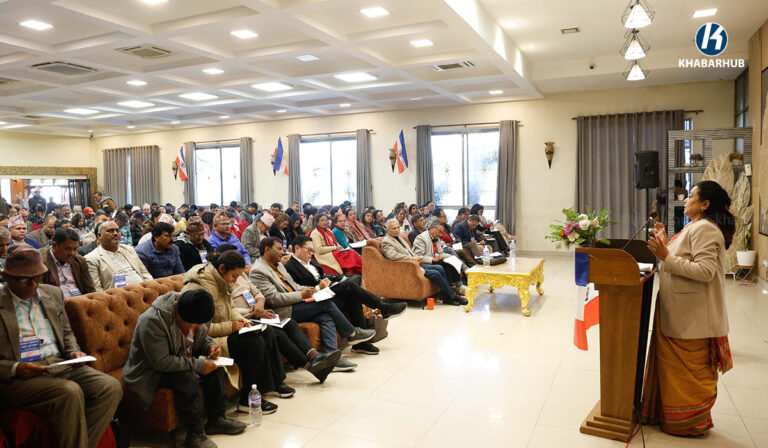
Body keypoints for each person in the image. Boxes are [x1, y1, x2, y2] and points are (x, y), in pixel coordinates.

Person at [0, 245, 122, 448]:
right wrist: (16, 368)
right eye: (24, 279)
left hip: (58, 364)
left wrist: (73, 351)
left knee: (110, 387)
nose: (33, 285)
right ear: (7, 277)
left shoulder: (52, 293)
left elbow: (66, 332)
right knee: (69, 392)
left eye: (37, 278)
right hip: (18, 376)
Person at [641, 181, 734, 436]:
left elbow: (704, 271)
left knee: (689, 375)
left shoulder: (705, 229)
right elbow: (679, 257)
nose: (685, 200)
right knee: (675, 373)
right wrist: (665, 244)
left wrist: (665, 256)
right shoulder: (695, 225)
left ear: (705, 204)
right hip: (682, 312)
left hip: (693, 318)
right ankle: (674, 418)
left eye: (691, 196)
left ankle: (691, 423)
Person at [123, 289, 246, 448]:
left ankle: (217, 419)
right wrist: (199, 365)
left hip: (180, 358)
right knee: (184, 377)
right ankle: (195, 433)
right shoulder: (152, 321)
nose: (199, 327)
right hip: (150, 370)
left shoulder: (193, 310)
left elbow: (201, 337)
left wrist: (210, 347)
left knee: (215, 367)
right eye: (194, 324)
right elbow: (162, 362)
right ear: (179, 317)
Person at [181, 249, 291, 415]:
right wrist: (230, 327)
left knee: (265, 331)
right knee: (252, 343)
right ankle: (247, 399)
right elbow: (198, 328)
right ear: (222, 268)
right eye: (234, 276)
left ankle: (274, 383)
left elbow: (231, 308)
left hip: (224, 331)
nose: (235, 280)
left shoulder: (222, 280)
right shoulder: (201, 286)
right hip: (206, 340)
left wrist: (244, 322)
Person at [250, 237, 375, 371]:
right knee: (325, 304)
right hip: (283, 310)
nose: (283, 252)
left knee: (326, 316)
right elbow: (274, 299)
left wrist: (309, 290)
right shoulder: (258, 271)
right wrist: (301, 295)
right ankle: (351, 333)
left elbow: (293, 285)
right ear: (267, 250)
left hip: (296, 302)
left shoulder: (278, 265)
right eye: (279, 249)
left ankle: (333, 358)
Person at [285, 236, 407, 355]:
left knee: (353, 292)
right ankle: (382, 308)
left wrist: (332, 281)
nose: (311, 253)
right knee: (349, 286)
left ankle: (361, 344)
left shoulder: (311, 261)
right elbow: (299, 289)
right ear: (297, 248)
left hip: (327, 290)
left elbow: (323, 276)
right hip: (315, 300)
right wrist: (319, 286)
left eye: (313, 250)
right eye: (309, 250)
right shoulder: (289, 267)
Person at [381, 219, 466, 306]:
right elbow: (393, 256)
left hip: (416, 262)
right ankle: (453, 296)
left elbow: (410, 252)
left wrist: (417, 258)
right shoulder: (386, 241)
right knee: (436, 273)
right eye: (394, 228)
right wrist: (412, 258)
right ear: (387, 230)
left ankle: (446, 296)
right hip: (408, 266)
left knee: (440, 267)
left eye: (398, 227)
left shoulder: (399, 238)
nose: (397, 230)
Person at [85, 221, 153, 291]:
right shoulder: (92, 258)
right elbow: (97, 290)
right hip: (118, 296)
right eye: (110, 231)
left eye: (117, 231)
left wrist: (151, 289)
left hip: (144, 292)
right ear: (99, 236)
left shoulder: (129, 249)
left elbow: (145, 274)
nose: (115, 233)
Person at [40, 228, 95, 297]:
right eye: (68, 249)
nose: (72, 253)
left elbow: (90, 289)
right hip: (57, 302)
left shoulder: (80, 261)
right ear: (54, 245)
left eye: (75, 249)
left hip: (81, 300)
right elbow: (42, 295)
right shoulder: (41, 262)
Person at [412, 222, 464, 291]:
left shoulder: (436, 238)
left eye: (442, 233)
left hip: (435, 259)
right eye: (439, 232)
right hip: (425, 262)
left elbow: (440, 252)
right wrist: (434, 259)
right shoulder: (421, 238)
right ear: (432, 228)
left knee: (452, 262)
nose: (440, 235)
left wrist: (449, 256)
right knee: (446, 266)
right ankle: (451, 289)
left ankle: (457, 286)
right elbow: (418, 256)